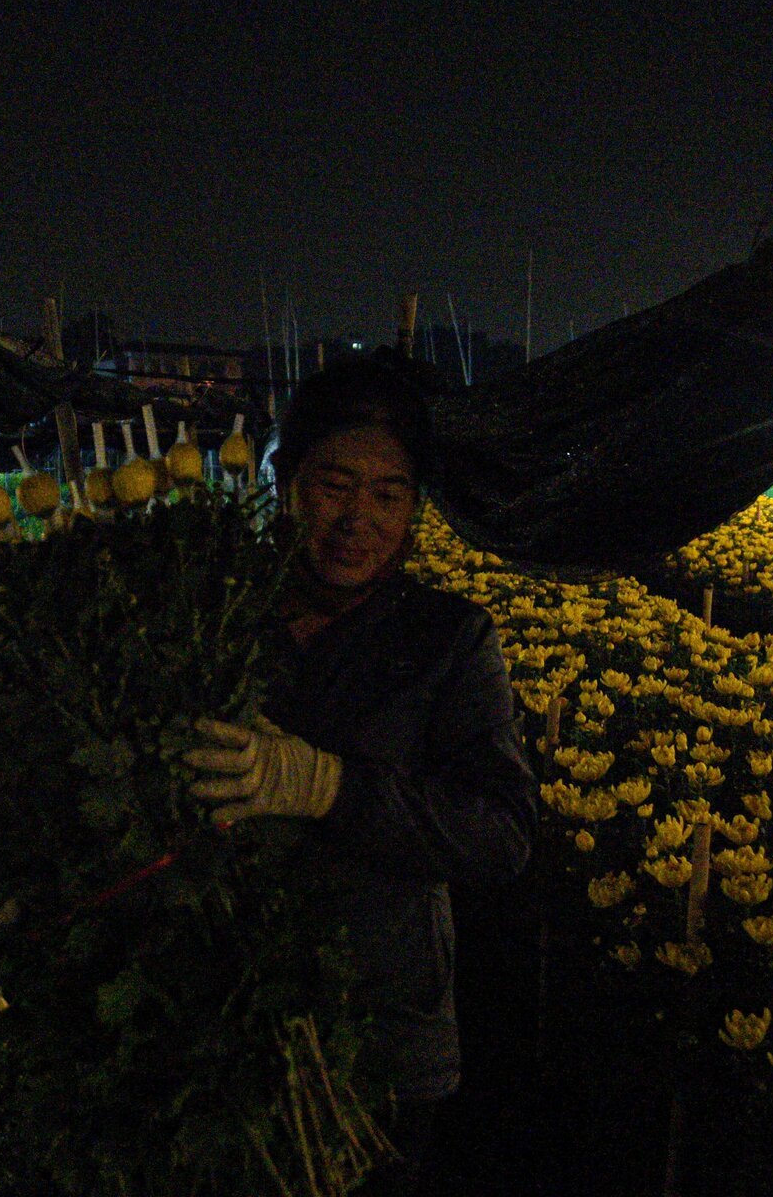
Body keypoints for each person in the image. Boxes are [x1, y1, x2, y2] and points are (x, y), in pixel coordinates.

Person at [183, 350, 538, 1196]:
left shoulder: (446, 640)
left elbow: (503, 832)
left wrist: (330, 787)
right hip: (203, 1025)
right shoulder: (202, 613)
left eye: (389, 495)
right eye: (335, 485)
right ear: (284, 480)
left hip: (379, 1035)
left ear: (417, 511)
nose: (358, 520)